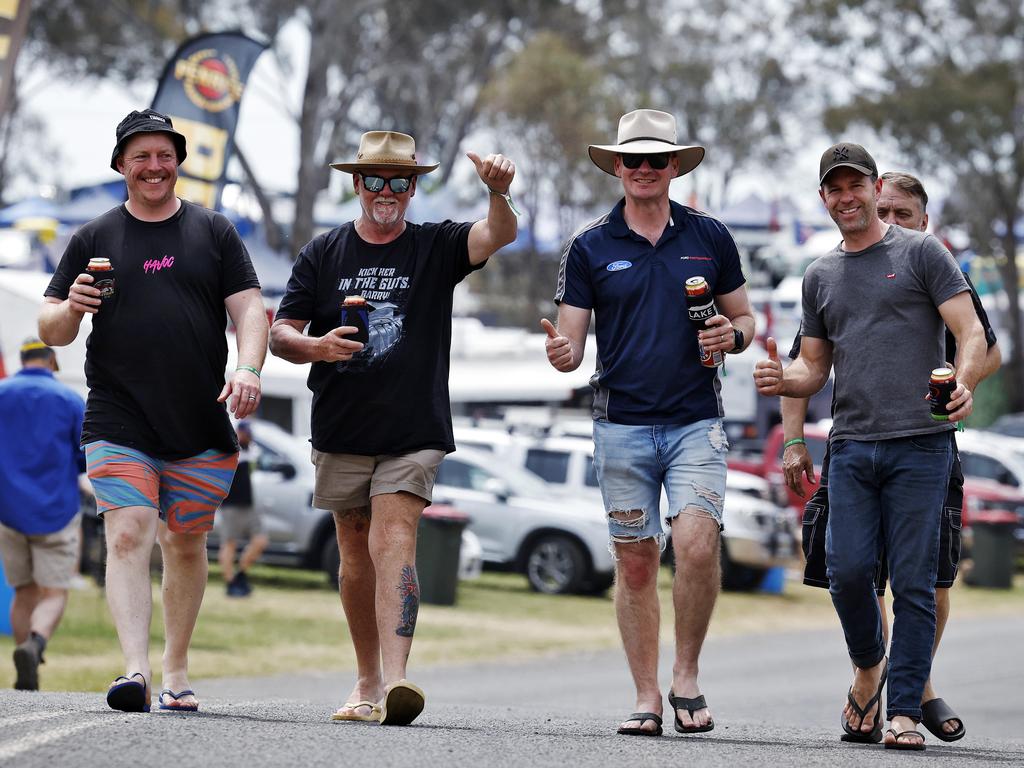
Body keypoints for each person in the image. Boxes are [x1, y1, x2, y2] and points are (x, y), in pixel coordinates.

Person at [269, 129, 516, 726]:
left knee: (394, 534)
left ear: (413, 187)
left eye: (399, 181)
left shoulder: (436, 245)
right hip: (342, 428)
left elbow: (497, 235)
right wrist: (316, 347)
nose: (386, 191)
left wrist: (498, 194)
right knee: (354, 553)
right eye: (375, 180)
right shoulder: (323, 252)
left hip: (414, 428)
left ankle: (399, 679)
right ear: (356, 184)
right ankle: (366, 679)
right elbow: (280, 332)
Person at [754, 144, 987, 751]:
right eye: (834, 189)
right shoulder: (819, 275)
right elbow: (813, 370)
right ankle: (869, 667)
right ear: (823, 198)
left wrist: (960, 382)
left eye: (855, 184)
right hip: (852, 446)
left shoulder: (922, 253)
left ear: (873, 186)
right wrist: (786, 384)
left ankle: (904, 712)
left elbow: (970, 332)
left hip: (921, 444)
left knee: (913, 583)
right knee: (847, 573)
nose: (846, 197)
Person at [38, 108, 269, 713]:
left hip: (198, 415)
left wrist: (247, 367)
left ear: (178, 162)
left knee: (187, 543)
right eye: (141, 156)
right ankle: (134, 671)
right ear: (121, 165)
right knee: (128, 531)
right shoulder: (94, 237)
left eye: (164, 154)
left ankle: (176, 668)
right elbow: (50, 327)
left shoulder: (213, 232)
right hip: (119, 412)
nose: (154, 166)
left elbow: (249, 309)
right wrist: (72, 310)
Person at [543, 108, 755, 737]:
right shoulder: (590, 245)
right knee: (636, 560)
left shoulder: (710, 236)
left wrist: (732, 335)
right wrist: (562, 353)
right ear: (615, 165)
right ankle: (645, 695)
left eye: (654, 160)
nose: (642, 169)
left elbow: (745, 322)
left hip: (695, 420)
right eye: (631, 159)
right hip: (622, 425)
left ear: (673, 168)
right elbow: (573, 346)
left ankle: (684, 675)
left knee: (696, 544)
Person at [0, 338, 86, 691]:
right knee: (53, 593)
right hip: (56, 511)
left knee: (23, 590)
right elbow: (83, 458)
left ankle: (26, 668)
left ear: (23, 361)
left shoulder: (2, 393)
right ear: (52, 360)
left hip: (8, 511)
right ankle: (35, 645)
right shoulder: (69, 400)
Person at [219, 421, 269, 597]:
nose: (245, 436)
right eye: (242, 433)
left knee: (261, 540)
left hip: (249, 504)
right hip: (231, 504)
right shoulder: (230, 450)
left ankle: (240, 574)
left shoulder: (251, 452)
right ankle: (230, 582)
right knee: (229, 543)